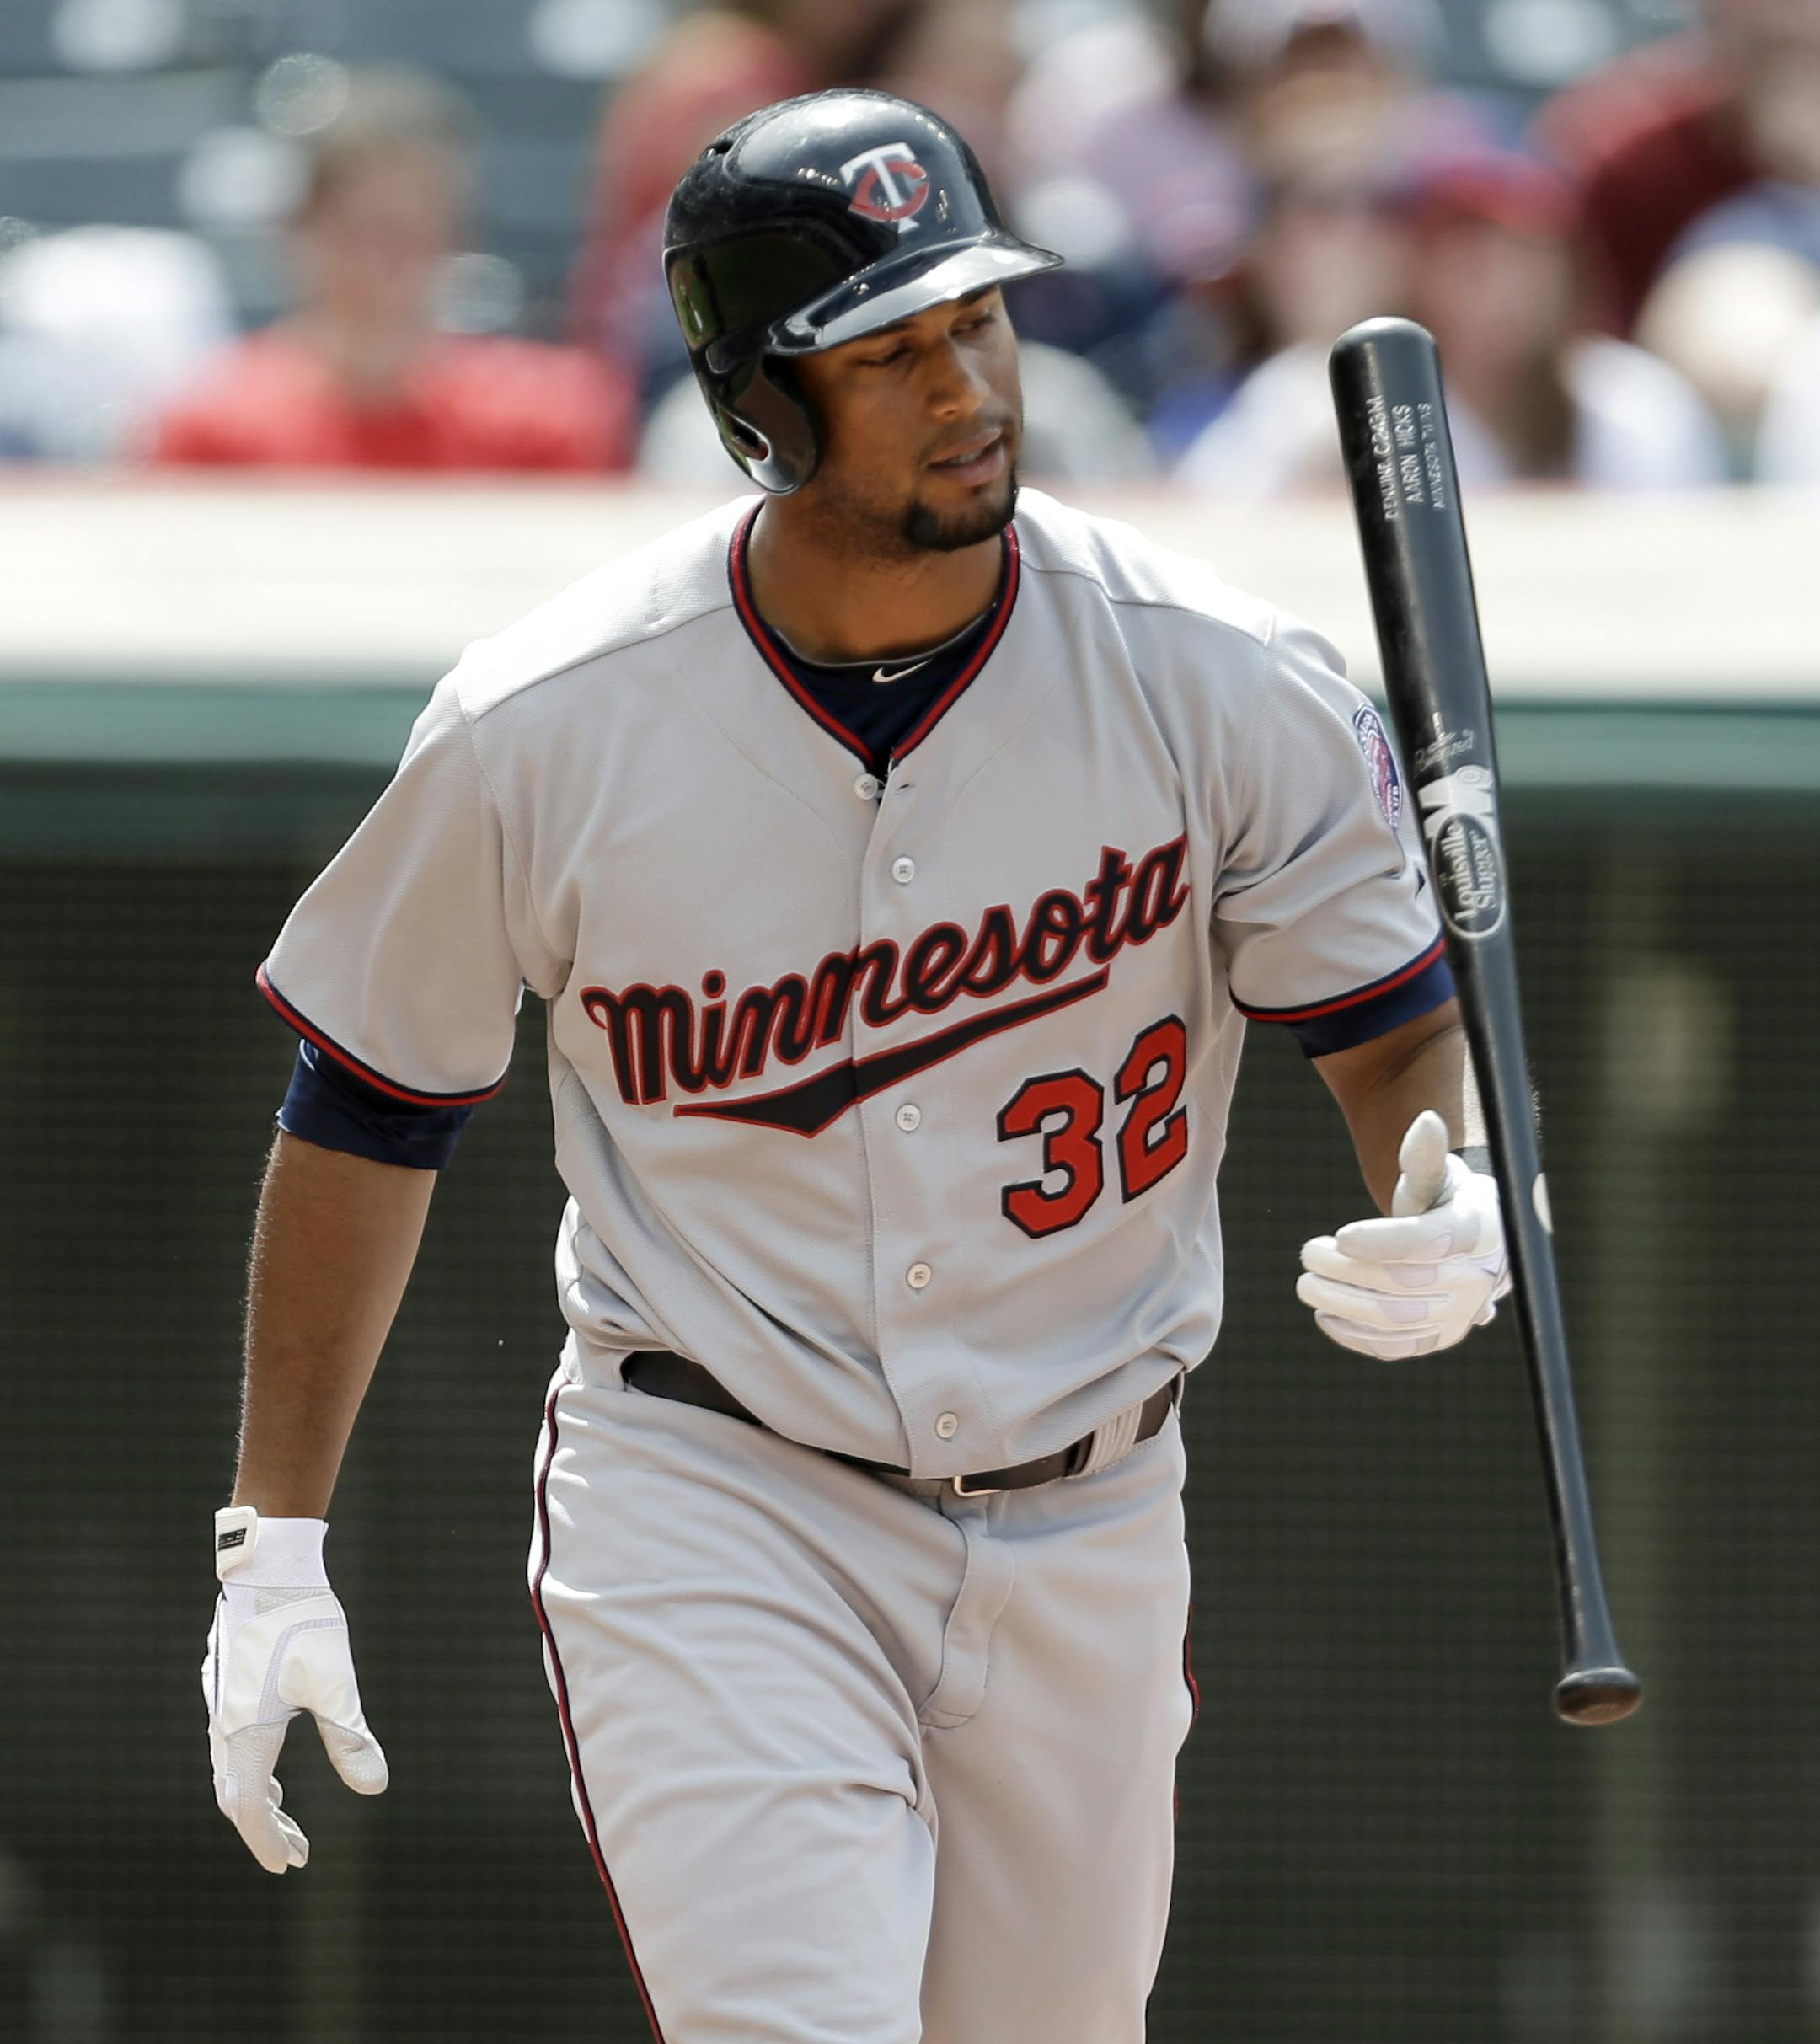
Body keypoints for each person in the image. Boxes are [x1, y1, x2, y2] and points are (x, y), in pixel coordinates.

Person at [201, 90, 1510, 2043]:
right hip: (719, 1483)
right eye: (883, 350)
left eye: (973, 321)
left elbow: (1391, 1018)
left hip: (1093, 1496)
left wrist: (1459, 1176)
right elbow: (368, 1107)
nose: (962, 384)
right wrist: (272, 1540)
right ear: (760, 408)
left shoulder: (1213, 672)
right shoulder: (550, 721)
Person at [150, 67, 632, 473]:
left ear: (453, 238)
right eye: (356, 232)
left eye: (408, 234)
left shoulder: (548, 422)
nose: (380, 266)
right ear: (300, 236)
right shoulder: (211, 427)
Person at [1178, 152, 1725, 495]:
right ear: (1421, 271)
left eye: (1527, 259)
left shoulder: (1638, 404)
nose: (1504, 287)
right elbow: (1214, 521)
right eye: (1473, 260)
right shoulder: (1328, 393)